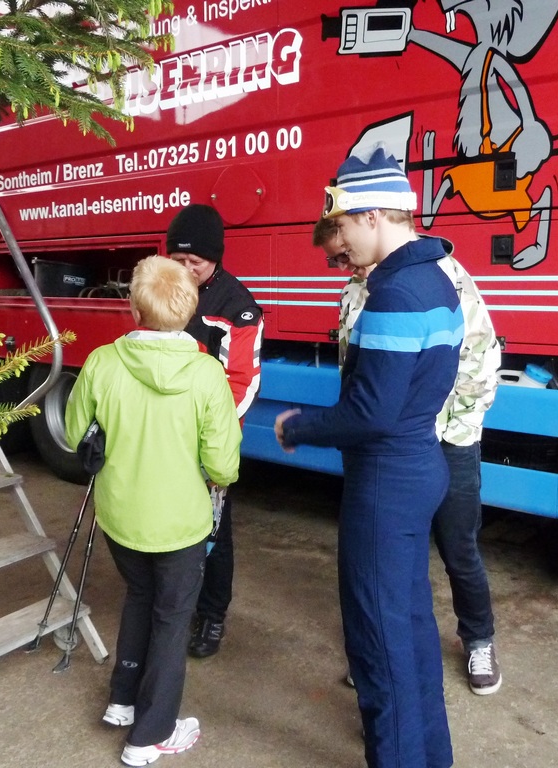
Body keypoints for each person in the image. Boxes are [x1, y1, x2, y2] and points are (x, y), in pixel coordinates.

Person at [275, 145, 463, 768]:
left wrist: (301, 426)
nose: (342, 245)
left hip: (385, 480)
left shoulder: (394, 295)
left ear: (373, 215)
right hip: (419, 464)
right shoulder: (436, 279)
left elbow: (371, 412)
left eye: (343, 227)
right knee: (410, 626)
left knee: (378, 638)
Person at [313, 214, 504, 695]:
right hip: (384, 449)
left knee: (459, 548)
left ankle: (478, 638)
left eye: (344, 254)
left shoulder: (443, 276)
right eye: (336, 261)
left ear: (365, 227)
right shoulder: (356, 291)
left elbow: (480, 363)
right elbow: (357, 374)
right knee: (393, 560)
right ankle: (383, 652)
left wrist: (433, 432)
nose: (345, 266)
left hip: (446, 439)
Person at [65, 256, 242, 767]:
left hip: (120, 518)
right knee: (172, 618)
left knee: (139, 596)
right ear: (191, 309)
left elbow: (75, 433)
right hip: (181, 525)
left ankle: (122, 700)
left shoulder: (101, 362)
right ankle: (150, 735)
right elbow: (223, 465)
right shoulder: (207, 374)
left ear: (133, 307)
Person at [164, 203, 263, 659]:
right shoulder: (163, 290)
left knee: (213, 534)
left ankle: (212, 614)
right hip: (163, 436)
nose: (185, 270)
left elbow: (242, 384)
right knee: (168, 523)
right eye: (177, 260)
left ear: (215, 258)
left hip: (208, 442)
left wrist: (207, 437)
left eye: (195, 262)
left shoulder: (238, 307)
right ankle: (173, 602)